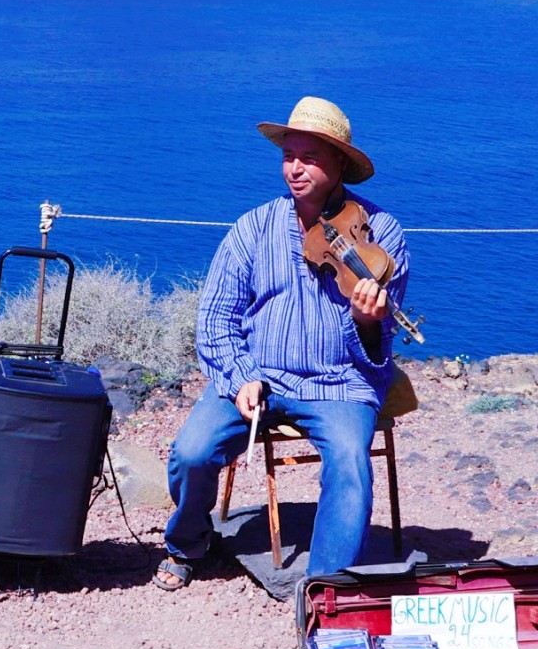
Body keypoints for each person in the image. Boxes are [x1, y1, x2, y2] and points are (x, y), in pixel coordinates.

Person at [155, 96, 409, 589]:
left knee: (352, 466)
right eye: (289, 155)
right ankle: (188, 543)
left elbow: (380, 347)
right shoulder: (252, 228)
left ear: (340, 164)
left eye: (310, 157)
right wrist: (239, 376)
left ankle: (326, 591)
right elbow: (215, 318)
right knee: (191, 453)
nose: (295, 168)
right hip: (259, 374)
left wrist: (367, 321)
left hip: (340, 382)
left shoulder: (383, 235)